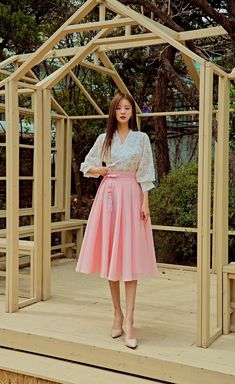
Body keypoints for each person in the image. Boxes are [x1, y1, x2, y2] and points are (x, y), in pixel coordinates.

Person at [76, 92, 157, 349]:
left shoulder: (141, 138)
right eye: (119, 108)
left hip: (132, 196)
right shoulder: (104, 139)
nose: (123, 111)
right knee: (111, 257)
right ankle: (117, 314)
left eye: (127, 108)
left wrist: (145, 202)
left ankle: (131, 320)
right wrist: (99, 170)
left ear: (132, 112)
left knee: (130, 258)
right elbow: (86, 165)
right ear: (113, 112)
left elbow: (145, 172)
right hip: (109, 198)